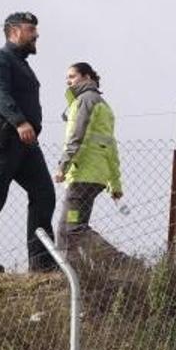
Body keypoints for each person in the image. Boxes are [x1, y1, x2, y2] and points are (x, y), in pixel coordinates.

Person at [0, 11, 58, 273]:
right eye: (31, 30)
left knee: (44, 193)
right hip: (4, 137)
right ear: (15, 31)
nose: (36, 35)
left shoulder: (22, 64)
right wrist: (20, 121)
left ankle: (42, 264)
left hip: (27, 143)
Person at [53, 62, 125, 265]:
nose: (68, 81)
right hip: (96, 178)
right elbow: (110, 148)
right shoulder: (103, 105)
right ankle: (76, 273)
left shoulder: (85, 101)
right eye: (67, 77)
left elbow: (76, 136)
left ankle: (119, 262)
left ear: (87, 77)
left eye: (72, 76)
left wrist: (62, 166)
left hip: (82, 176)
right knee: (74, 226)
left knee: (70, 228)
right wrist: (115, 184)